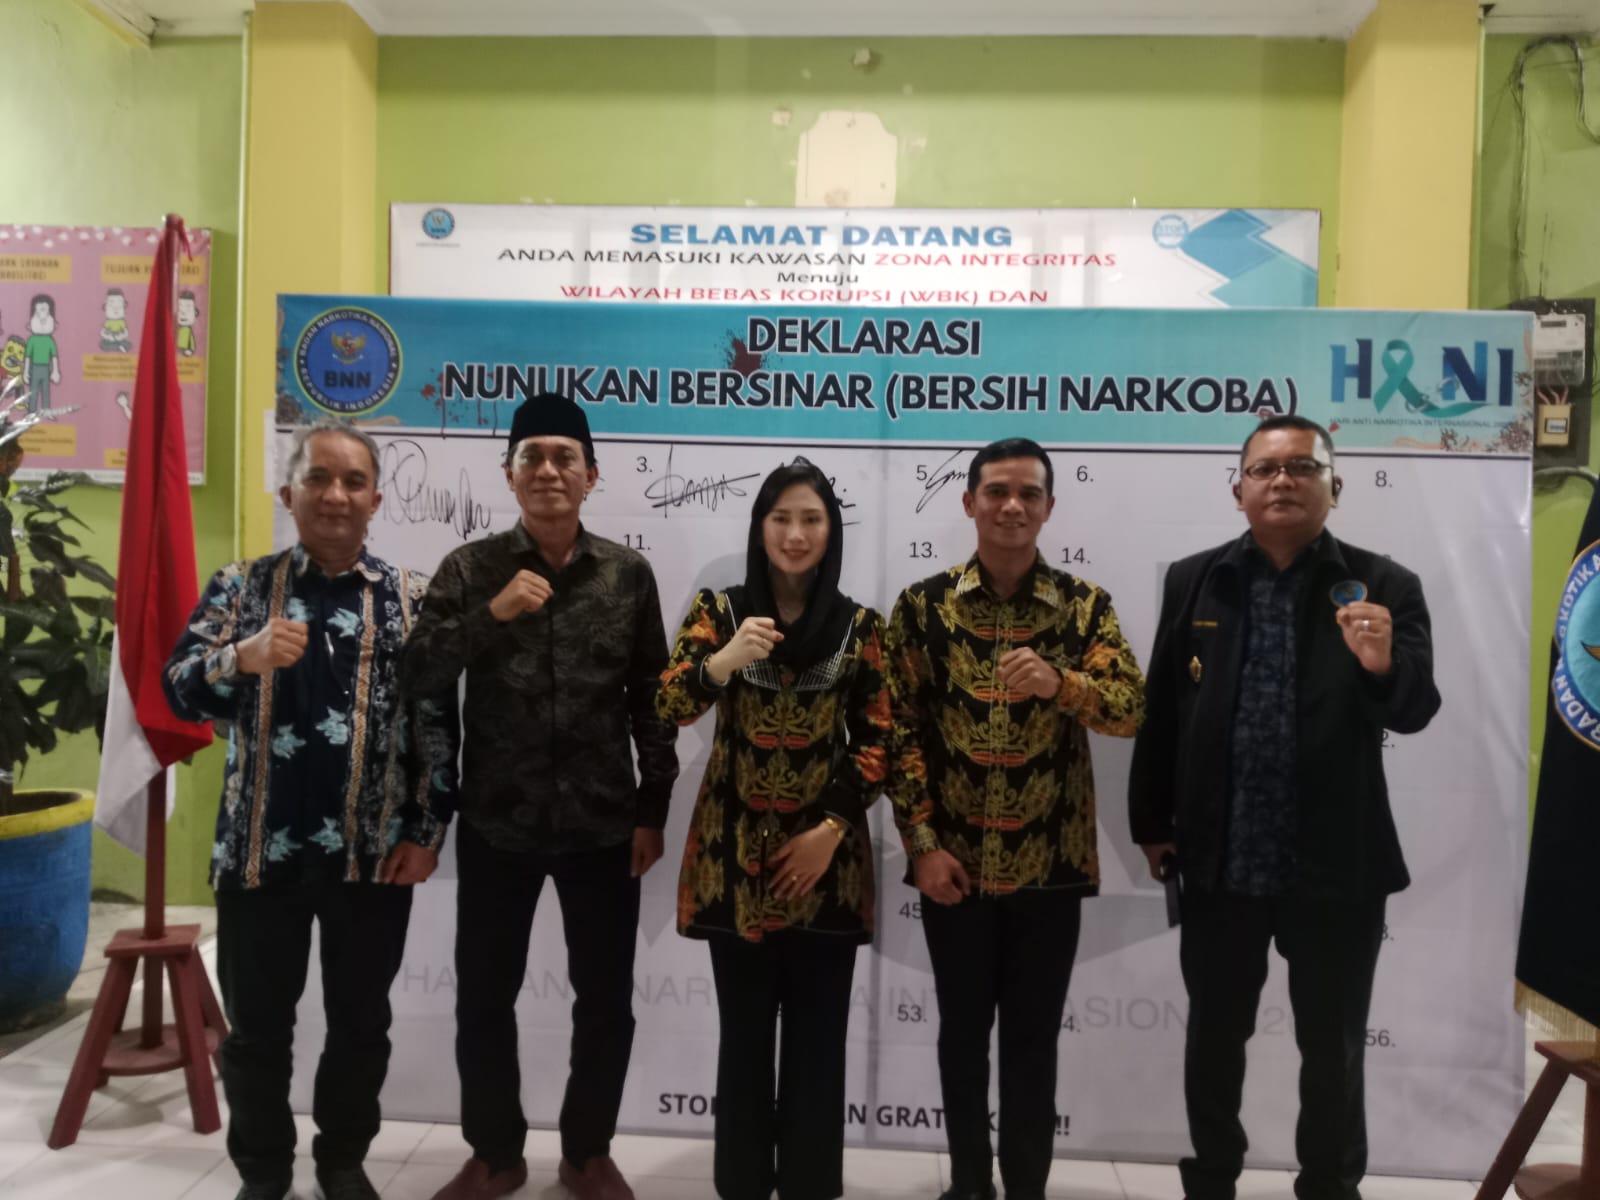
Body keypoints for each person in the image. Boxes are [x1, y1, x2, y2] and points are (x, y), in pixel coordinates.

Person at [1128, 414, 1441, 1200]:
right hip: (1220, 859)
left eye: (1303, 467)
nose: (1283, 481)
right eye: (1265, 469)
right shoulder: (1196, 579)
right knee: (1214, 1038)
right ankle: (1211, 1180)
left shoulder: (1383, 584)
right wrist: (1152, 824)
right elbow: (1163, 710)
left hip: (1336, 865)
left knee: (1332, 1047)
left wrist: (1381, 664)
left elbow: (1414, 710)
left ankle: (1329, 1186)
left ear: (1335, 486)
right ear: (1237, 488)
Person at [163, 419, 458, 1200]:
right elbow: (177, 688)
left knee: (361, 1026)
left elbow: (436, 727)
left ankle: (343, 1162)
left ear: (376, 500)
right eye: (318, 478)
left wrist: (427, 831)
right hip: (258, 855)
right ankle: (263, 1173)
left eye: (353, 481)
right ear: (287, 492)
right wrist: (242, 656)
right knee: (257, 1032)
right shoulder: (239, 588)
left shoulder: (412, 599)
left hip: (372, 856)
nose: (335, 494)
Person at [401, 392, 679, 1200]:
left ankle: (588, 1151)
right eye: (533, 457)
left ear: (592, 475)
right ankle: (495, 1154)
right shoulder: (470, 570)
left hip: (603, 825)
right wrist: (490, 615)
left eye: (565, 458)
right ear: (509, 474)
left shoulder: (627, 574)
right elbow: (417, 674)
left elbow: (653, 700)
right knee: (486, 999)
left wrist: (652, 810)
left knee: (606, 1003)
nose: (550, 471)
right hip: (499, 823)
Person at [885, 436, 1145, 1200]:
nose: (1012, 506)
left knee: (1032, 1043)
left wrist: (1062, 684)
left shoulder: (1084, 606)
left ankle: (1026, 1188)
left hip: (1049, 869)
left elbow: (1132, 709)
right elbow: (895, 733)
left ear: (1049, 507)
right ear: (969, 502)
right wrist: (922, 846)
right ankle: (969, 1185)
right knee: (962, 1038)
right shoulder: (923, 606)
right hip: (953, 869)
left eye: (1029, 493)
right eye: (996, 491)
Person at [657, 459, 892, 1200]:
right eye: (781, 518)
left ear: (830, 533)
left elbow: (883, 739)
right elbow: (669, 705)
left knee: (819, 1047)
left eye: (811, 519)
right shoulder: (720, 612)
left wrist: (832, 827)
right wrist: (721, 663)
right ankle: (743, 1185)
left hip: (827, 866)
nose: (795, 533)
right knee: (745, 1042)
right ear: (760, 528)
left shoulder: (860, 627)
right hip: (735, 864)